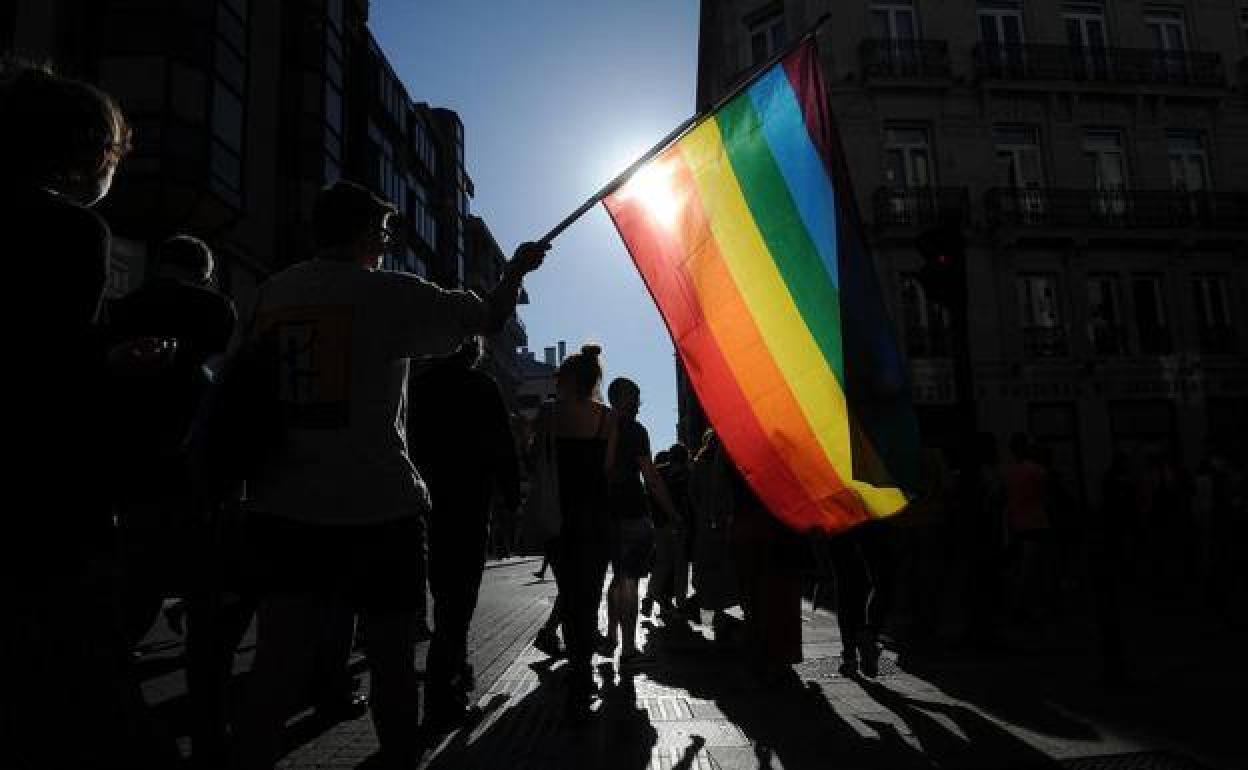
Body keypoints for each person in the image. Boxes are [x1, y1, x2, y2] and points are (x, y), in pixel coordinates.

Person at [233, 180, 547, 768]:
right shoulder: (388, 295)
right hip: (378, 508)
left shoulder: (273, 293)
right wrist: (518, 269)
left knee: (274, 662)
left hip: (283, 508)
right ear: (360, 234)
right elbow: (486, 316)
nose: (384, 246)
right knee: (392, 663)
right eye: (380, 234)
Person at [1, 61, 182, 769]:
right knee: (93, 703)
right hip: (44, 506)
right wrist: (114, 366)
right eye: (110, 153)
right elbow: (50, 376)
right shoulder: (69, 233)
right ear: (78, 154)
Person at [108, 234, 251, 764]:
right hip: (198, 478)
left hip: (135, 477)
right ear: (205, 270)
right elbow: (228, 388)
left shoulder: (125, 309)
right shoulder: (214, 309)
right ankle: (209, 733)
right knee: (208, 617)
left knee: (134, 598)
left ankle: (115, 713)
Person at [408, 335, 522, 732]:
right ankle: (444, 693)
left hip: (427, 503)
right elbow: (502, 444)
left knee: (442, 592)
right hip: (471, 503)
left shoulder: (418, 386)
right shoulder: (481, 387)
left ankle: (457, 667)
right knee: (461, 600)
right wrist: (513, 492)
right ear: (472, 349)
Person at [530, 345, 614, 720]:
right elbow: (607, 473)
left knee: (570, 592)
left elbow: (536, 461)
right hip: (596, 516)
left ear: (567, 379)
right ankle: (583, 669)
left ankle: (578, 668)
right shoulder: (607, 419)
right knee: (591, 593)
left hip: (560, 516)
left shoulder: (548, 413)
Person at [601, 378, 677, 667]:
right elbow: (651, 477)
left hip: (606, 514)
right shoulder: (634, 430)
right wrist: (673, 513)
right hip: (632, 511)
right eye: (634, 397)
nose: (638, 404)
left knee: (617, 577)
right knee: (630, 580)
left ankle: (611, 636)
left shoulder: (601, 426)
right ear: (620, 399)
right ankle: (629, 649)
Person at [644, 443, 693, 625]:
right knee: (680, 566)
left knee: (662, 563)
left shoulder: (658, 473)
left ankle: (650, 595)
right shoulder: (686, 474)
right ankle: (680, 603)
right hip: (678, 524)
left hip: (659, 524)